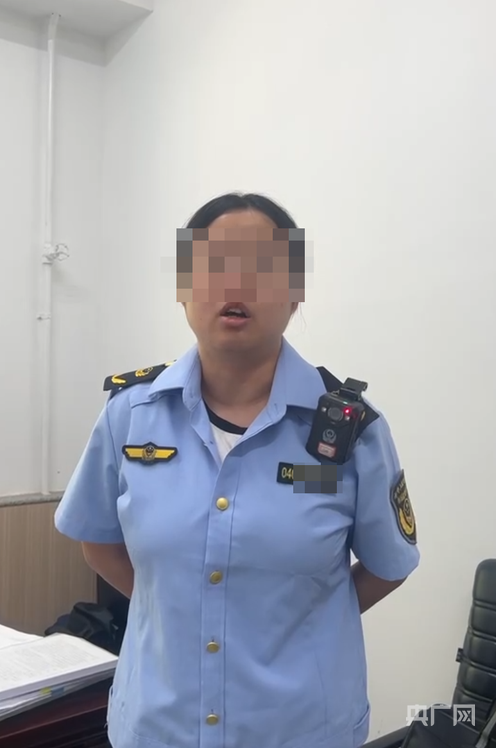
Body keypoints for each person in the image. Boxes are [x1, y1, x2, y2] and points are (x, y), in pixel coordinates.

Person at [54, 192, 420, 748]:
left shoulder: (350, 430)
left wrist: (304, 619)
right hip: (158, 726)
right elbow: (98, 542)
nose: (236, 285)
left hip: (299, 729)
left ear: (295, 292)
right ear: (183, 287)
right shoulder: (130, 415)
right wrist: (179, 606)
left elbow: (388, 565)